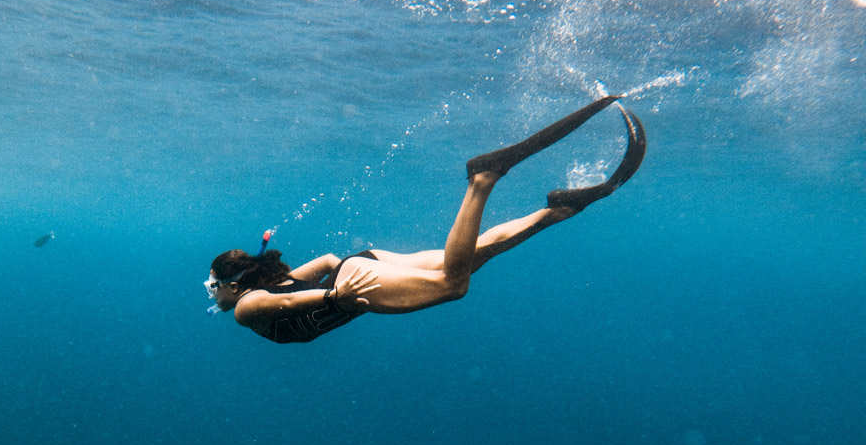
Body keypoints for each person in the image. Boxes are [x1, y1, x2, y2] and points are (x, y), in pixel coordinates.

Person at [205, 96, 646, 345]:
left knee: (453, 285)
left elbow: (281, 305)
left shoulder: (245, 308)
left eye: (212, 286)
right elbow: (321, 262)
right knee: (469, 258)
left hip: (354, 283)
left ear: (234, 284)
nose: (213, 297)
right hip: (360, 267)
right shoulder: (267, 285)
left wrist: (336, 296)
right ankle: (557, 210)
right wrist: (341, 279)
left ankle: (482, 180)